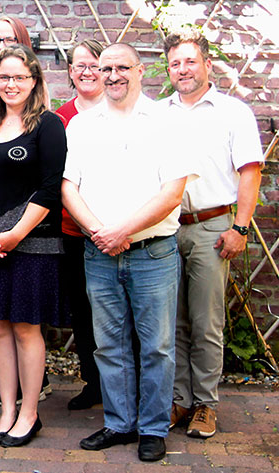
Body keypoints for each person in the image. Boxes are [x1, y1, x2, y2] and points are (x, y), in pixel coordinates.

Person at [62, 43, 194, 462]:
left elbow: (173, 191)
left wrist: (123, 230)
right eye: (106, 68)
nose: (113, 75)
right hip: (99, 252)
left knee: (156, 345)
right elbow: (68, 187)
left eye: (122, 67)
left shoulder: (167, 121)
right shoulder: (81, 126)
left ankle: (153, 428)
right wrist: (99, 231)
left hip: (151, 252)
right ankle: (119, 423)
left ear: (140, 71)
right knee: (109, 345)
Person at [163, 27, 264, 439]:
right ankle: (180, 400)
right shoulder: (159, 112)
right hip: (168, 229)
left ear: (207, 64)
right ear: (167, 70)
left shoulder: (232, 112)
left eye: (190, 61)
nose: (182, 69)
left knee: (206, 321)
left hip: (212, 227)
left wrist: (240, 227)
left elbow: (250, 172)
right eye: (175, 63)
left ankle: (206, 404)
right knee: (174, 322)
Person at [0, 45, 66, 448]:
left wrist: (15, 234)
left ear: (35, 81)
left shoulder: (48, 125)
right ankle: (6, 409)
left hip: (32, 243)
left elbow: (50, 187)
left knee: (26, 327)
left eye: (20, 77)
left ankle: (29, 413)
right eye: (4, 77)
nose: (11, 84)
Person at [54, 39, 105, 411]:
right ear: (70, 72)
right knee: (84, 312)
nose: (86, 72)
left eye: (94, 64)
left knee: (119, 312)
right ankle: (94, 382)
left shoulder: (122, 112)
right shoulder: (59, 118)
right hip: (73, 232)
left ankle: (125, 382)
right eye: (79, 65)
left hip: (118, 231)